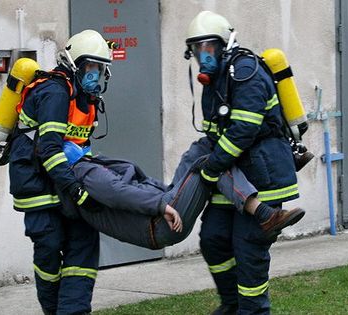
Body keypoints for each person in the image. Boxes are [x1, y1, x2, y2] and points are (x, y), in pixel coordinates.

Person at [184, 11, 305, 315]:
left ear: (223, 45)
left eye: (208, 47)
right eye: (197, 49)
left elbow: (244, 130)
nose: (203, 55)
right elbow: (214, 132)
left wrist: (212, 166)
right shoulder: (213, 81)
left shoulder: (246, 71)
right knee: (213, 238)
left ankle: (253, 309)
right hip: (234, 177)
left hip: (264, 176)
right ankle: (232, 302)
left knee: (249, 249)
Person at [8, 29, 112, 315]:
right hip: (38, 186)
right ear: (75, 64)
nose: (95, 73)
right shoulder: (54, 92)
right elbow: (49, 150)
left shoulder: (85, 98)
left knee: (84, 245)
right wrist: (78, 191)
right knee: (50, 251)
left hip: (64, 185)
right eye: (91, 66)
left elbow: (81, 148)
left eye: (100, 68)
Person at [62, 137, 303, 250]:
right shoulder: (83, 172)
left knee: (198, 149)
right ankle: (264, 214)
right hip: (157, 222)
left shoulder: (87, 166)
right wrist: (160, 205)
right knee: (211, 163)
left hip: (161, 204)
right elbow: (119, 192)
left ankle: (281, 159)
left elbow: (135, 183)